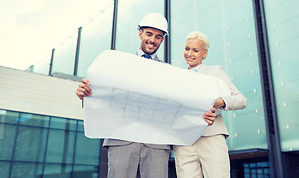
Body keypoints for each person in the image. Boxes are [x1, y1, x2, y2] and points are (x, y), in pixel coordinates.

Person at [76, 14, 217, 178]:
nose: (153, 40)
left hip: (156, 144)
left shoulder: (169, 73)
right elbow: (105, 95)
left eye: (158, 37)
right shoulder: (118, 65)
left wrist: (201, 115)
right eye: (149, 34)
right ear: (140, 34)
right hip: (122, 139)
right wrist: (86, 95)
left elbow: (179, 105)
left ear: (162, 40)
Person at [173, 31, 247, 178]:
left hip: (211, 137)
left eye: (195, 50)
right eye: (187, 49)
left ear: (204, 53)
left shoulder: (215, 72)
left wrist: (221, 102)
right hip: (184, 142)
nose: (190, 53)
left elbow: (241, 100)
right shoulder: (177, 77)